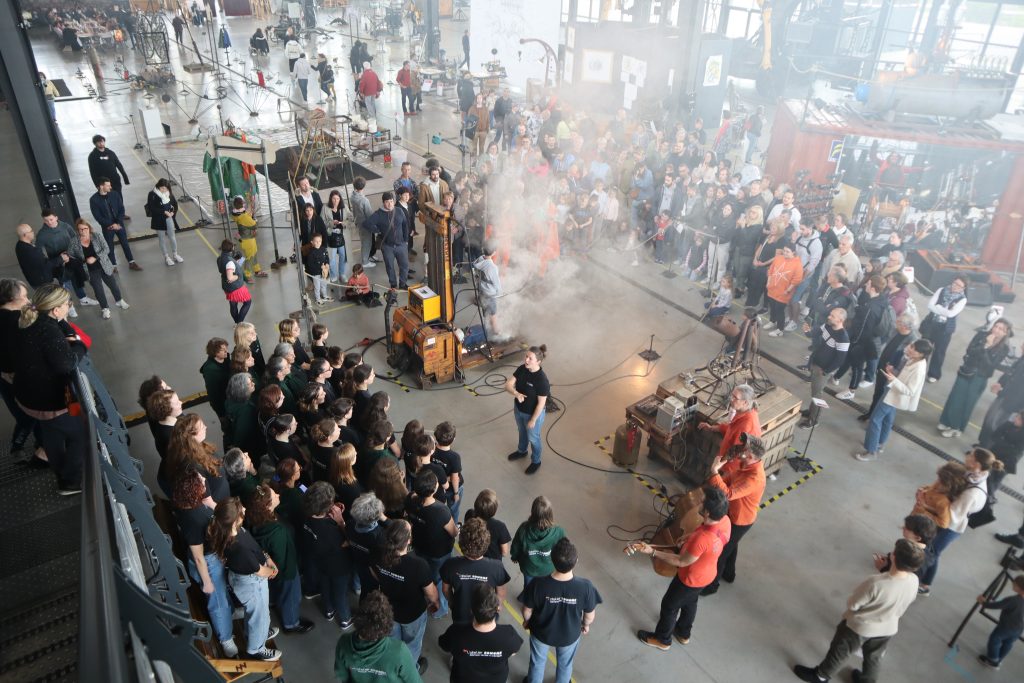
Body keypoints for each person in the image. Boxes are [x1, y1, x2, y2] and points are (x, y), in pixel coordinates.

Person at [792, 539, 925, 683]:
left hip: (859, 628)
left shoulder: (875, 582)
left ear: (893, 556)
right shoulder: (914, 580)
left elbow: (853, 604)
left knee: (839, 652)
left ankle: (821, 676)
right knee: (873, 659)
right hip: (888, 629)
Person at [635, 486, 731, 650]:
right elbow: (707, 534)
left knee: (669, 605)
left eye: (702, 504)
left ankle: (662, 639)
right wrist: (688, 537)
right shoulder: (725, 521)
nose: (699, 504)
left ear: (707, 512)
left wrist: (653, 552)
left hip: (690, 578)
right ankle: (683, 632)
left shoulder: (702, 539)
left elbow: (681, 561)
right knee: (690, 602)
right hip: (707, 575)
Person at [15, 284, 85, 495]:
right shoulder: (49, 331)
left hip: (28, 395)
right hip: (50, 399)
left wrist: (65, 329)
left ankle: (59, 469)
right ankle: (70, 481)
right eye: (67, 304)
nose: (69, 306)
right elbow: (68, 363)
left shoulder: (33, 320)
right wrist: (80, 345)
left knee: (51, 431)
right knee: (81, 434)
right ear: (55, 310)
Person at [171, 469, 238, 657]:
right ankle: (226, 638)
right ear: (193, 489)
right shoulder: (192, 518)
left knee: (223, 592)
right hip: (207, 562)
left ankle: (230, 614)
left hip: (213, 555)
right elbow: (198, 555)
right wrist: (206, 581)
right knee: (217, 601)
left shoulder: (191, 504)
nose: (203, 478)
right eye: (199, 480)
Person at [207, 497, 282, 661]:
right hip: (252, 584)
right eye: (242, 510)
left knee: (254, 613)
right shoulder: (238, 548)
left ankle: (256, 633)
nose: (246, 510)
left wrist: (267, 557)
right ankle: (257, 648)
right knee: (260, 615)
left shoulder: (231, 532)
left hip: (245, 580)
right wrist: (272, 570)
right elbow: (259, 571)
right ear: (234, 520)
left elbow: (255, 548)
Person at [918, 448, 1002, 595]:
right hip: (949, 521)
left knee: (932, 552)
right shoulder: (972, 475)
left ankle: (925, 585)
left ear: (976, 463)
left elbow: (951, 515)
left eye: (971, 455)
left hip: (951, 527)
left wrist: (926, 506)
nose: (967, 456)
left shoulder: (973, 493)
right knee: (930, 549)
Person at [519, 537, 601, 683]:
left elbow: (527, 610)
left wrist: (527, 622)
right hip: (569, 635)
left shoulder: (538, 583)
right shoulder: (586, 587)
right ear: (576, 561)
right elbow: (589, 615)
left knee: (537, 662)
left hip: (541, 633)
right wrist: (586, 625)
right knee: (565, 664)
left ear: (552, 560)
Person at [371, 519, 437, 675]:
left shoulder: (377, 553)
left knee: (393, 642)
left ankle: (393, 665)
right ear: (408, 540)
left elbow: (374, 573)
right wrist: (436, 603)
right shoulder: (418, 565)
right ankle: (409, 670)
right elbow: (431, 593)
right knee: (412, 645)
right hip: (412, 615)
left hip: (388, 610)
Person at [703, 438, 767, 595]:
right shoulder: (745, 465)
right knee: (732, 544)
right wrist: (717, 480)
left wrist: (714, 472)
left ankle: (711, 586)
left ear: (751, 456)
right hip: (732, 512)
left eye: (744, 449)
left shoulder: (754, 478)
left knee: (721, 552)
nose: (740, 449)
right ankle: (729, 574)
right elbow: (730, 480)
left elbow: (729, 494)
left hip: (740, 520)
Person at [855, 339, 933, 462]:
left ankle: (871, 450)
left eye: (913, 348)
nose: (910, 348)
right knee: (887, 420)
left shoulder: (918, 369)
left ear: (920, 354)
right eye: (911, 345)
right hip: (892, 392)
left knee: (875, 420)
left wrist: (893, 380)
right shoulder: (914, 359)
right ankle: (880, 443)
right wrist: (893, 373)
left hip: (893, 395)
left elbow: (910, 391)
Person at [937, 319, 1012, 438]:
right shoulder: (982, 335)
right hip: (967, 370)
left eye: (1001, 329)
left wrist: (987, 348)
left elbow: (991, 365)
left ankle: (956, 427)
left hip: (979, 377)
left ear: (1005, 333)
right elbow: (970, 351)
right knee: (955, 397)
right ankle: (946, 421)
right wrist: (984, 345)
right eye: (996, 326)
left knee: (966, 402)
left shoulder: (1004, 349)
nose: (996, 330)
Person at [439, 583, 523, 683]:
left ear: (471, 610)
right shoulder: (509, 635)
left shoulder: (456, 632)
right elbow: (513, 652)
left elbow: (444, 645)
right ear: (498, 608)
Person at [333, 590, 422, 682]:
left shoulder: (344, 643)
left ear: (359, 617)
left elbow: (341, 675)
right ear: (387, 625)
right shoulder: (398, 651)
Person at [300, 481, 354, 629]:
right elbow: (349, 541)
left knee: (325, 588)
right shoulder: (331, 530)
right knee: (340, 593)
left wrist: (331, 510)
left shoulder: (307, 517)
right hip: (339, 567)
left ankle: (329, 611)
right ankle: (344, 619)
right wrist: (341, 521)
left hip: (320, 563)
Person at [440, 518, 511, 624]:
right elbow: (500, 593)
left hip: (460, 614)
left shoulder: (450, 565)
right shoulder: (497, 567)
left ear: (461, 542)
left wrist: (452, 603)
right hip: (486, 616)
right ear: (486, 543)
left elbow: (446, 590)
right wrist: (497, 606)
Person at [0, 279, 38, 458]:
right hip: (15, 377)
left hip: (6, 377)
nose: (28, 300)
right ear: (10, 300)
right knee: (31, 413)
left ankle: (22, 446)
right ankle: (22, 447)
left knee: (24, 414)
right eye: (24, 297)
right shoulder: (16, 321)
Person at [67, 218, 130, 320]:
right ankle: (105, 308)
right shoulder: (74, 241)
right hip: (90, 270)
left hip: (104, 266)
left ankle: (119, 301)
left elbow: (106, 249)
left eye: (85, 228)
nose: (83, 231)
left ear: (89, 228)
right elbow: (71, 255)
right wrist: (82, 261)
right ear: (77, 230)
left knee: (113, 285)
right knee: (98, 290)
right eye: (80, 229)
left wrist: (95, 257)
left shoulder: (97, 236)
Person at [800, 308, 849, 428]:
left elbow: (840, 359)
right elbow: (814, 333)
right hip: (816, 363)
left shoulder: (843, 338)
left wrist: (826, 371)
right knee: (814, 391)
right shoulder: (827, 326)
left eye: (832, 316)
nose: (829, 317)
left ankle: (813, 420)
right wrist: (807, 331)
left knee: (817, 394)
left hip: (822, 370)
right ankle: (812, 411)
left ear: (840, 320)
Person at [505, 345, 550, 474]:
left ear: (538, 362)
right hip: (519, 410)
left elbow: (541, 404)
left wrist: (533, 419)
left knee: (534, 438)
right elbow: (508, 385)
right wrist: (516, 394)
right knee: (522, 431)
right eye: (526, 356)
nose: (526, 360)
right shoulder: (522, 369)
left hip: (532, 415)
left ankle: (536, 461)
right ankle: (522, 451)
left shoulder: (541, 380)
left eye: (530, 358)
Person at [919, 276, 968, 382]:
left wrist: (939, 308)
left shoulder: (962, 299)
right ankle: (919, 370)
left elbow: (951, 314)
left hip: (945, 328)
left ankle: (933, 374)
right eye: (955, 283)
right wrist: (943, 310)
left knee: (939, 351)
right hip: (931, 324)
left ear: (963, 288)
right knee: (924, 347)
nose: (955, 286)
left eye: (959, 286)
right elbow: (930, 305)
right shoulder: (941, 290)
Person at [511, 496, 566, 588]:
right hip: (548, 569)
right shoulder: (558, 531)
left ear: (533, 512)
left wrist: (514, 556)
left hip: (529, 568)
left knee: (528, 589)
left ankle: (528, 601)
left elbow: (516, 546)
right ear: (550, 514)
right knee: (545, 589)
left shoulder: (524, 529)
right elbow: (563, 549)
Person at [89, 177, 141, 271]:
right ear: (101, 186)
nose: (110, 187)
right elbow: (98, 217)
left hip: (119, 224)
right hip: (107, 227)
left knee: (125, 243)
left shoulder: (115, 194)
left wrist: (117, 222)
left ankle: (131, 262)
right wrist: (111, 224)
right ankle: (113, 266)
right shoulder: (94, 200)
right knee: (109, 247)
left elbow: (121, 209)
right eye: (108, 185)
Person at [979, 339, 1024, 445]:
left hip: (1012, 403)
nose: (1021, 346)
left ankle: (987, 449)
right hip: (1004, 396)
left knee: (996, 425)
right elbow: (1010, 373)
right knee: (989, 419)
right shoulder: (1021, 359)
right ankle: (983, 444)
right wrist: (1000, 383)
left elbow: (1018, 388)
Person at [698, 384, 762, 457]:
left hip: (730, 465)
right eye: (732, 395)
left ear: (745, 403)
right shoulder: (743, 412)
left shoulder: (746, 426)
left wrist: (718, 465)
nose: (731, 399)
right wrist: (712, 428)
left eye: (735, 398)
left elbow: (735, 454)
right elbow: (732, 428)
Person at [976, 574, 1024, 670]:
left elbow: (997, 605)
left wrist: (983, 602)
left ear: (1019, 588)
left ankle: (992, 660)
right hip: (1019, 629)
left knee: (995, 639)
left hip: (1006, 627)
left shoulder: (1013, 600)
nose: (1012, 585)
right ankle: (999, 659)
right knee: (1008, 643)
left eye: (1014, 584)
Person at [364, 192, 409, 292]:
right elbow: (367, 223)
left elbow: (405, 225)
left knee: (404, 265)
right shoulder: (378, 214)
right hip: (387, 246)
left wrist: (406, 240)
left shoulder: (399, 211)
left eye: (392, 201)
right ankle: (393, 284)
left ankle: (403, 284)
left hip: (401, 244)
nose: (390, 204)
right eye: (387, 202)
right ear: (383, 202)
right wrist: (377, 230)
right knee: (390, 267)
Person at [15, 223, 65, 291]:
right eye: (31, 231)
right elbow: (45, 266)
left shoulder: (19, 245)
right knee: (51, 300)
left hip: (36, 280)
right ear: (25, 235)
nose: (33, 232)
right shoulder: (29, 251)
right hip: (43, 284)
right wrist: (61, 259)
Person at [146, 178, 184, 267]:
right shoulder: (152, 194)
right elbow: (152, 208)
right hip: (158, 220)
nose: (164, 190)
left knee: (172, 237)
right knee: (162, 239)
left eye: (166, 188)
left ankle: (175, 254)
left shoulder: (168, 194)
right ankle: (166, 257)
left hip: (168, 218)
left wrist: (172, 212)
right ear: (158, 186)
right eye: (162, 188)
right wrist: (163, 212)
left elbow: (175, 204)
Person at [230, 196, 268, 281]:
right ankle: (247, 275)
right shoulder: (243, 217)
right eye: (243, 203)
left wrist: (249, 214)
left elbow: (245, 215)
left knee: (254, 255)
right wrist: (254, 219)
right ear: (242, 205)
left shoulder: (237, 214)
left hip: (245, 238)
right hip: (248, 240)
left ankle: (257, 270)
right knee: (250, 258)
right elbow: (254, 225)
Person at [473, 243, 505, 340]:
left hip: (482, 290)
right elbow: (496, 283)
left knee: (485, 310)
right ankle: (496, 333)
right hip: (490, 294)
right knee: (493, 313)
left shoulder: (479, 260)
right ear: (494, 252)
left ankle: (487, 327)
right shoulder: (492, 267)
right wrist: (500, 293)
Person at [217, 239, 252, 323]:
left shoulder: (220, 258)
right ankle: (239, 323)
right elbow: (230, 277)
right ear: (231, 248)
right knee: (247, 302)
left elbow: (226, 268)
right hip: (235, 287)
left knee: (233, 304)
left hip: (227, 286)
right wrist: (238, 276)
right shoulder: (230, 262)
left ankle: (237, 323)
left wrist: (236, 262)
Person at [322, 190, 347, 282]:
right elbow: (322, 222)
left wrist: (344, 223)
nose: (336, 200)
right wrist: (331, 223)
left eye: (337, 198)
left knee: (343, 256)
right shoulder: (325, 207)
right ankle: (333, 274)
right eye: (334, 198)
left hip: (341, 235)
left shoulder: (343, 208)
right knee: (332, 258)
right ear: (330, 199)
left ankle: (342, 274)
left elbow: (350, 218)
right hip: (330, 235)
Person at [305, 232, 332, 306]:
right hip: (316, 274)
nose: (318, 243)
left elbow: (327, 258)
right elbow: (310, 265)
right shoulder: (311, 253)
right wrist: (320, 267)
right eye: (316, 241)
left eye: (320, 241)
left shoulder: (323, 249)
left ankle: (324, 296)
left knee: (324, 284)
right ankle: (318, 299)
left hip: (324, 273)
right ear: (312, 242)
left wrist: (327, 264)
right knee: (317, 287)